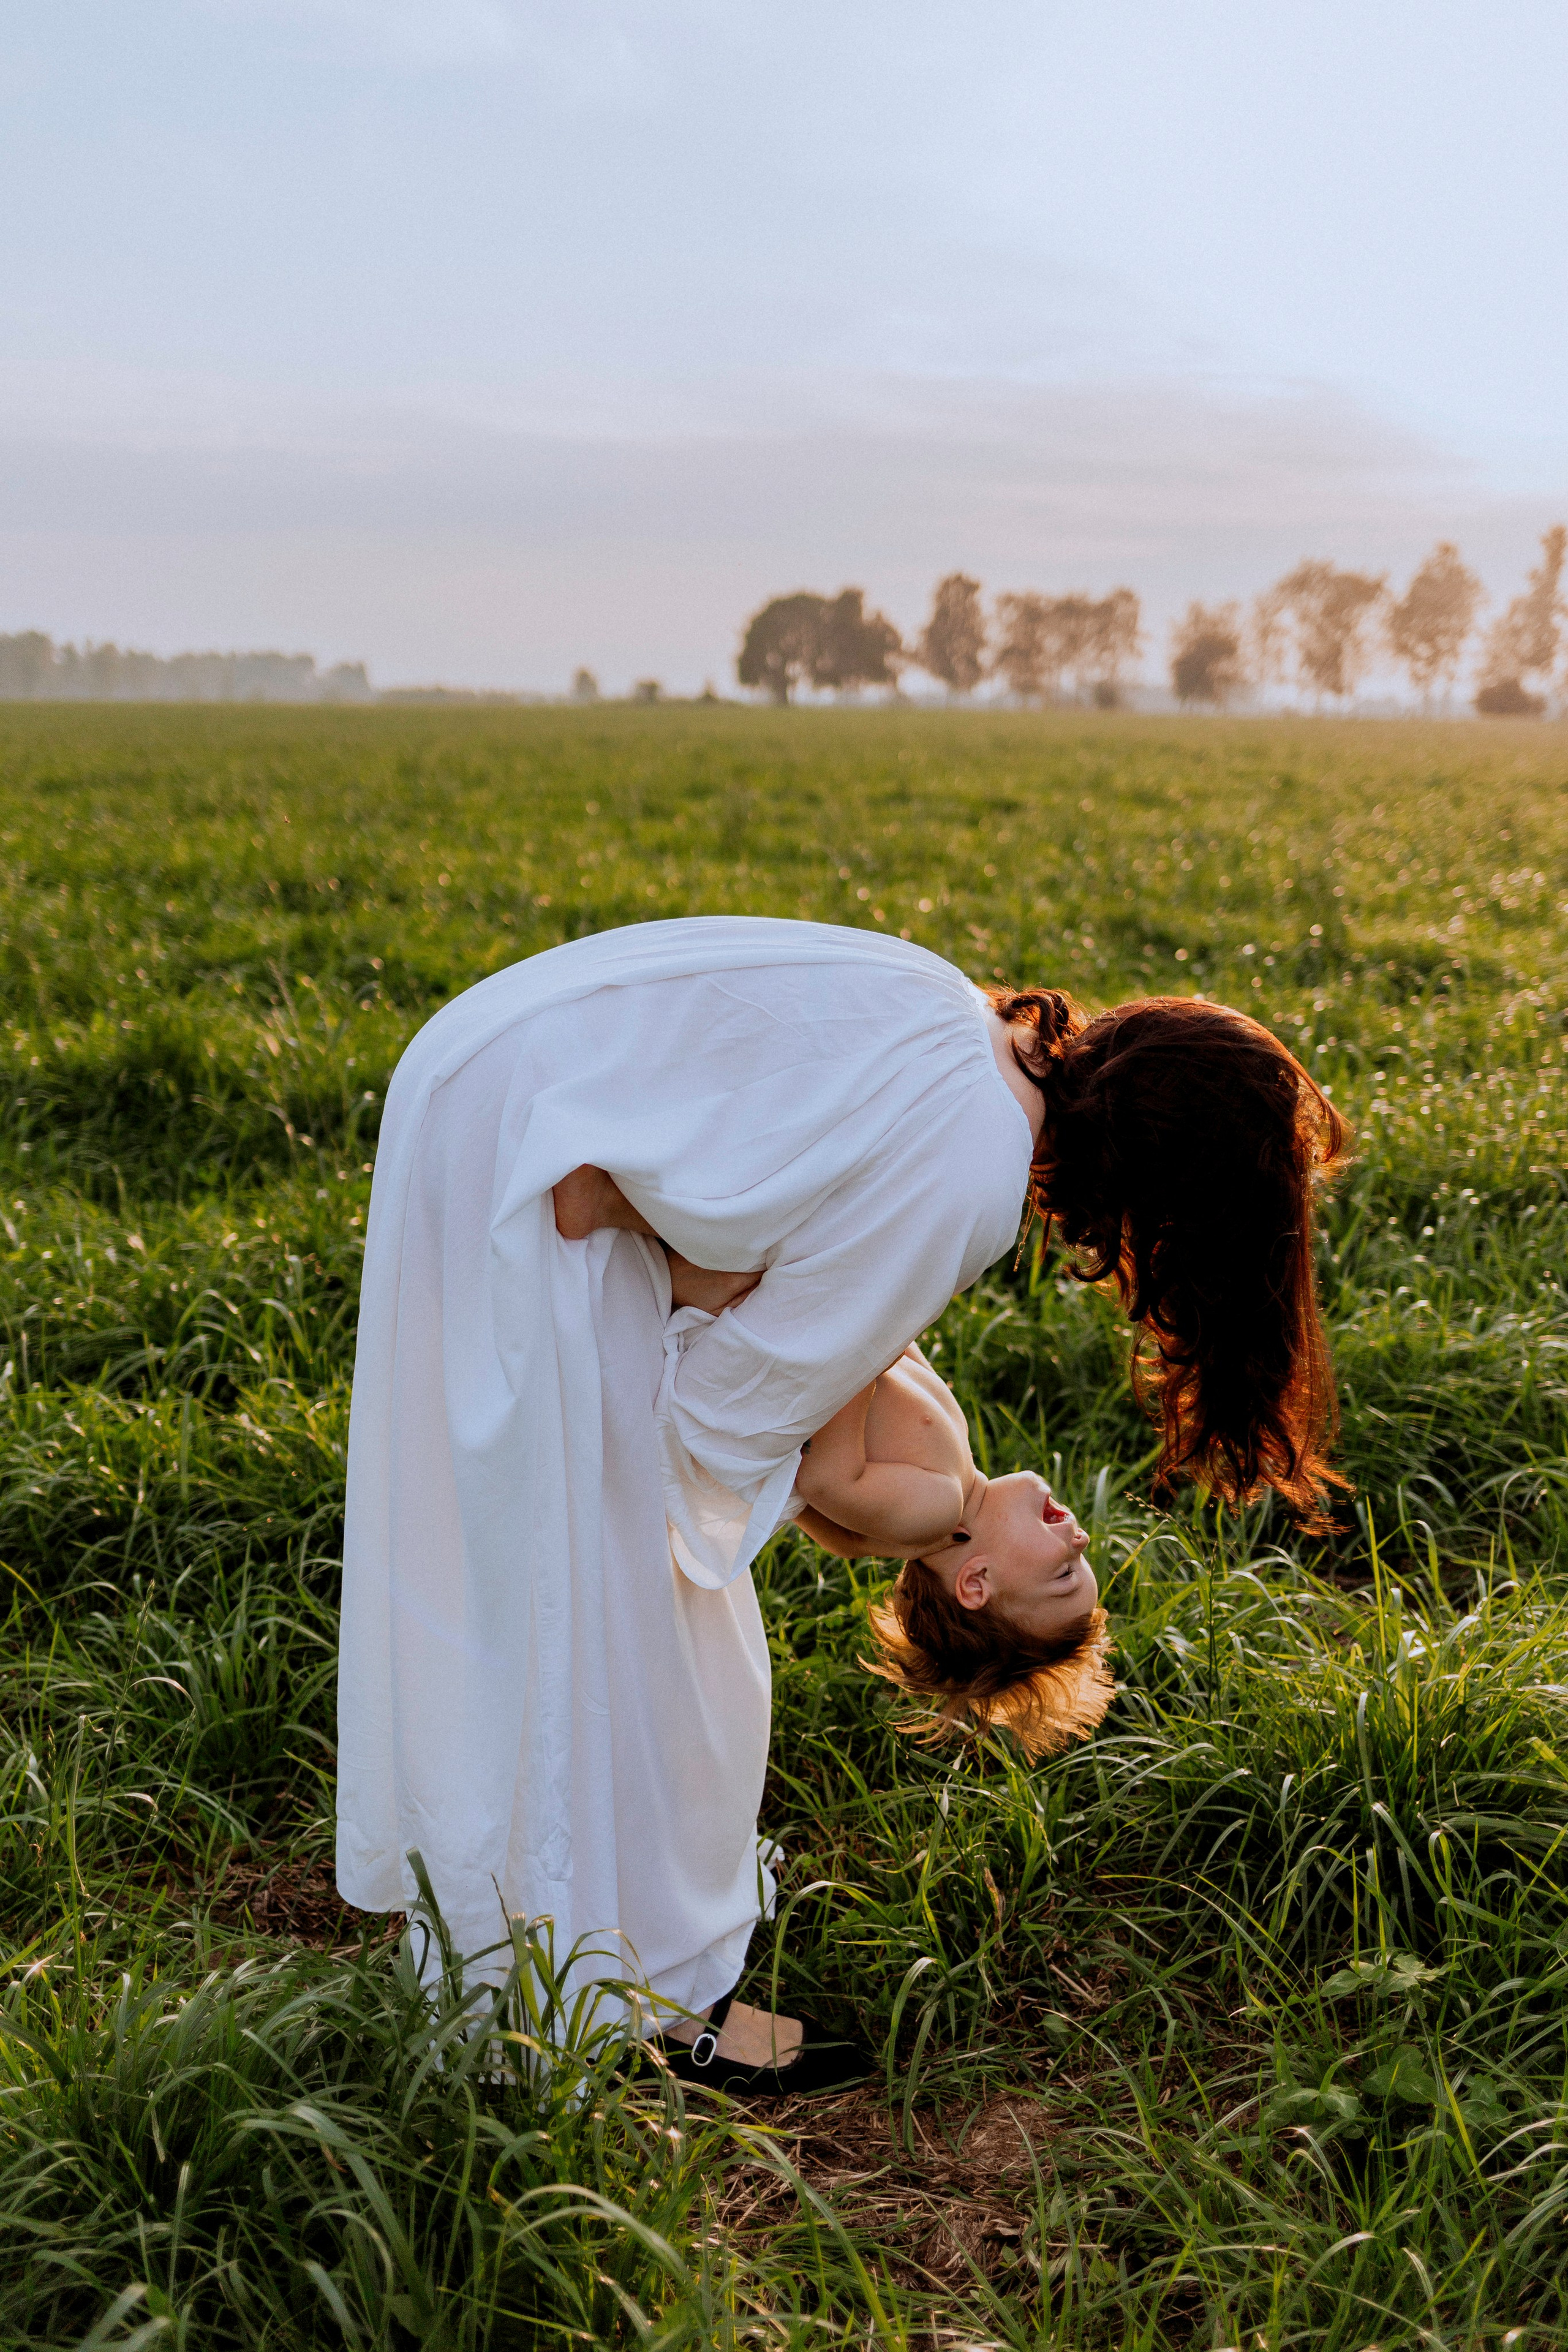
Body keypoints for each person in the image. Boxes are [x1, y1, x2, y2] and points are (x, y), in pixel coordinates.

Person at [337, 916, 1346, 2092]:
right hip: (527, 1143)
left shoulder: (974, 1021)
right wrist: (769, 1302)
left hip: (500, 1078)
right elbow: (716, 1418)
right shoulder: (972, 1175)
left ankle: (569, 1975)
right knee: (639, 1638)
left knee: (582, 1595)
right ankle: (613, 2007)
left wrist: (773, 1295)